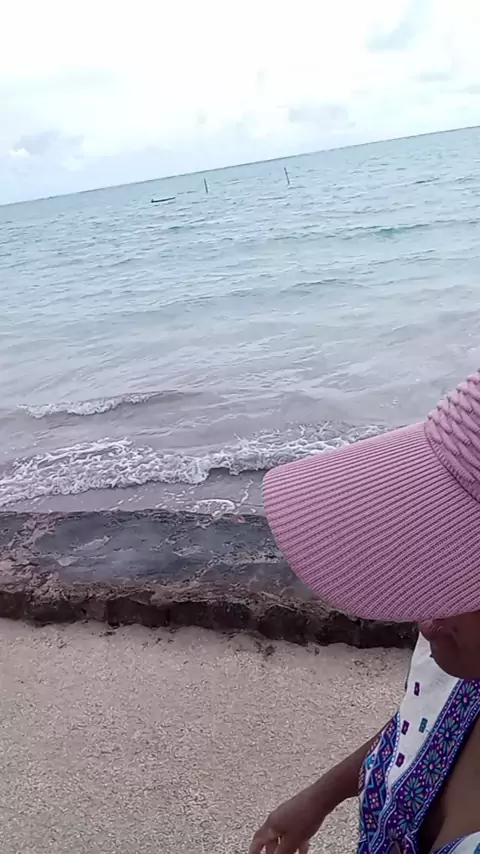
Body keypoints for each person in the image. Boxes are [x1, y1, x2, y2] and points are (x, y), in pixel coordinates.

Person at [250, 371, 480, 854]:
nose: (424, 616)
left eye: (467, 577)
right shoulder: (452, 645)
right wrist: (320, 796)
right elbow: (420, 721)